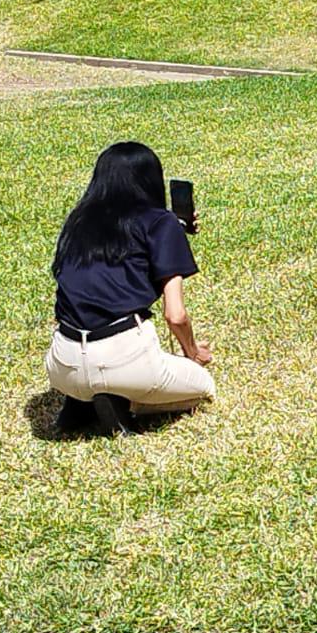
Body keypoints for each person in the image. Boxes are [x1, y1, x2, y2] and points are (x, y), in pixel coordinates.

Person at [46, 141, 215, 435]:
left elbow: (120, 250)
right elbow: (175, 315)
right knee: (203, 388)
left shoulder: (78, 221)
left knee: (94, 374)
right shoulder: (162, 225)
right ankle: (121, 402)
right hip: (123, 357)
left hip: (62, 364)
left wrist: (172, 229)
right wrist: (193, 353)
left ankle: (80, 402)